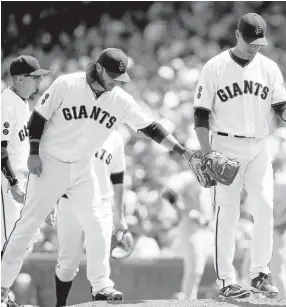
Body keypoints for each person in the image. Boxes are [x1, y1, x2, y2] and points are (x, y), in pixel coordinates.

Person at [1, 48, 196, 305]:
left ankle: (102, 285)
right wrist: (34, 152)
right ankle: (2, 286)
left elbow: (151, 127)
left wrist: (184, 152)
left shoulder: (119, 99)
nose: (117, 81)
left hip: (83, 167)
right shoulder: (67, 84)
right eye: (114, 75)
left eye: (121, 77)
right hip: (50, 164)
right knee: (27, 228)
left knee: (99, 223)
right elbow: (38, 118)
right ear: (100, 69)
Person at [192, 13, 286, 299]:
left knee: (265, 206)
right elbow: (200, 115)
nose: (254, 47)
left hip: (258, 145)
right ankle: (227, 281)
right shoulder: (215, 67)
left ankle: (260, 273)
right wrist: (208, 154)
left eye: (259, 42)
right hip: (224, 145)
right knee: (227, 212)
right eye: (249, 41)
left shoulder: (268, 68)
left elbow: (282, 109)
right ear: (237, 35)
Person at [49, 130, 127, 306]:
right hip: (69, 202)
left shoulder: (114, 137)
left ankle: (101, 289)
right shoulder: (73, 128)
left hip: (103, 203)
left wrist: (120, 215)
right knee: (67, 265)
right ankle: (60, 303)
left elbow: (118, 178)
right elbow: (55, 168)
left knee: (100, 250)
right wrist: (50, 201)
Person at [1, 55, 50, 307]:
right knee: (9, 239)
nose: (39, 81)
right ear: (19, 78)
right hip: (4, 178)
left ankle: (2, 292)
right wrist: (12, 183)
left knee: (26, 236)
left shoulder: (22, 102)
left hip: (19, 177)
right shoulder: (6, 103)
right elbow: (0, 149)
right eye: (35, 77)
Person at [241, 157, 286, 299]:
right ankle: (256, 300)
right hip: (262, 231)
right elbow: (249, 209)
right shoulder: (259, 183)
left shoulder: (285, 182)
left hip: (280, 230)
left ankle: (284, 301)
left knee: (277, 270)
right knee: (249, 268)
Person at [161, 170, 213, 300]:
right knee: (194, 270)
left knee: (220, 267)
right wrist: (183, 210)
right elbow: (167, 192)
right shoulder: (187, 177)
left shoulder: (208, 178)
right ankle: (188, 300)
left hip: (208, 229)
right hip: (192, 228)